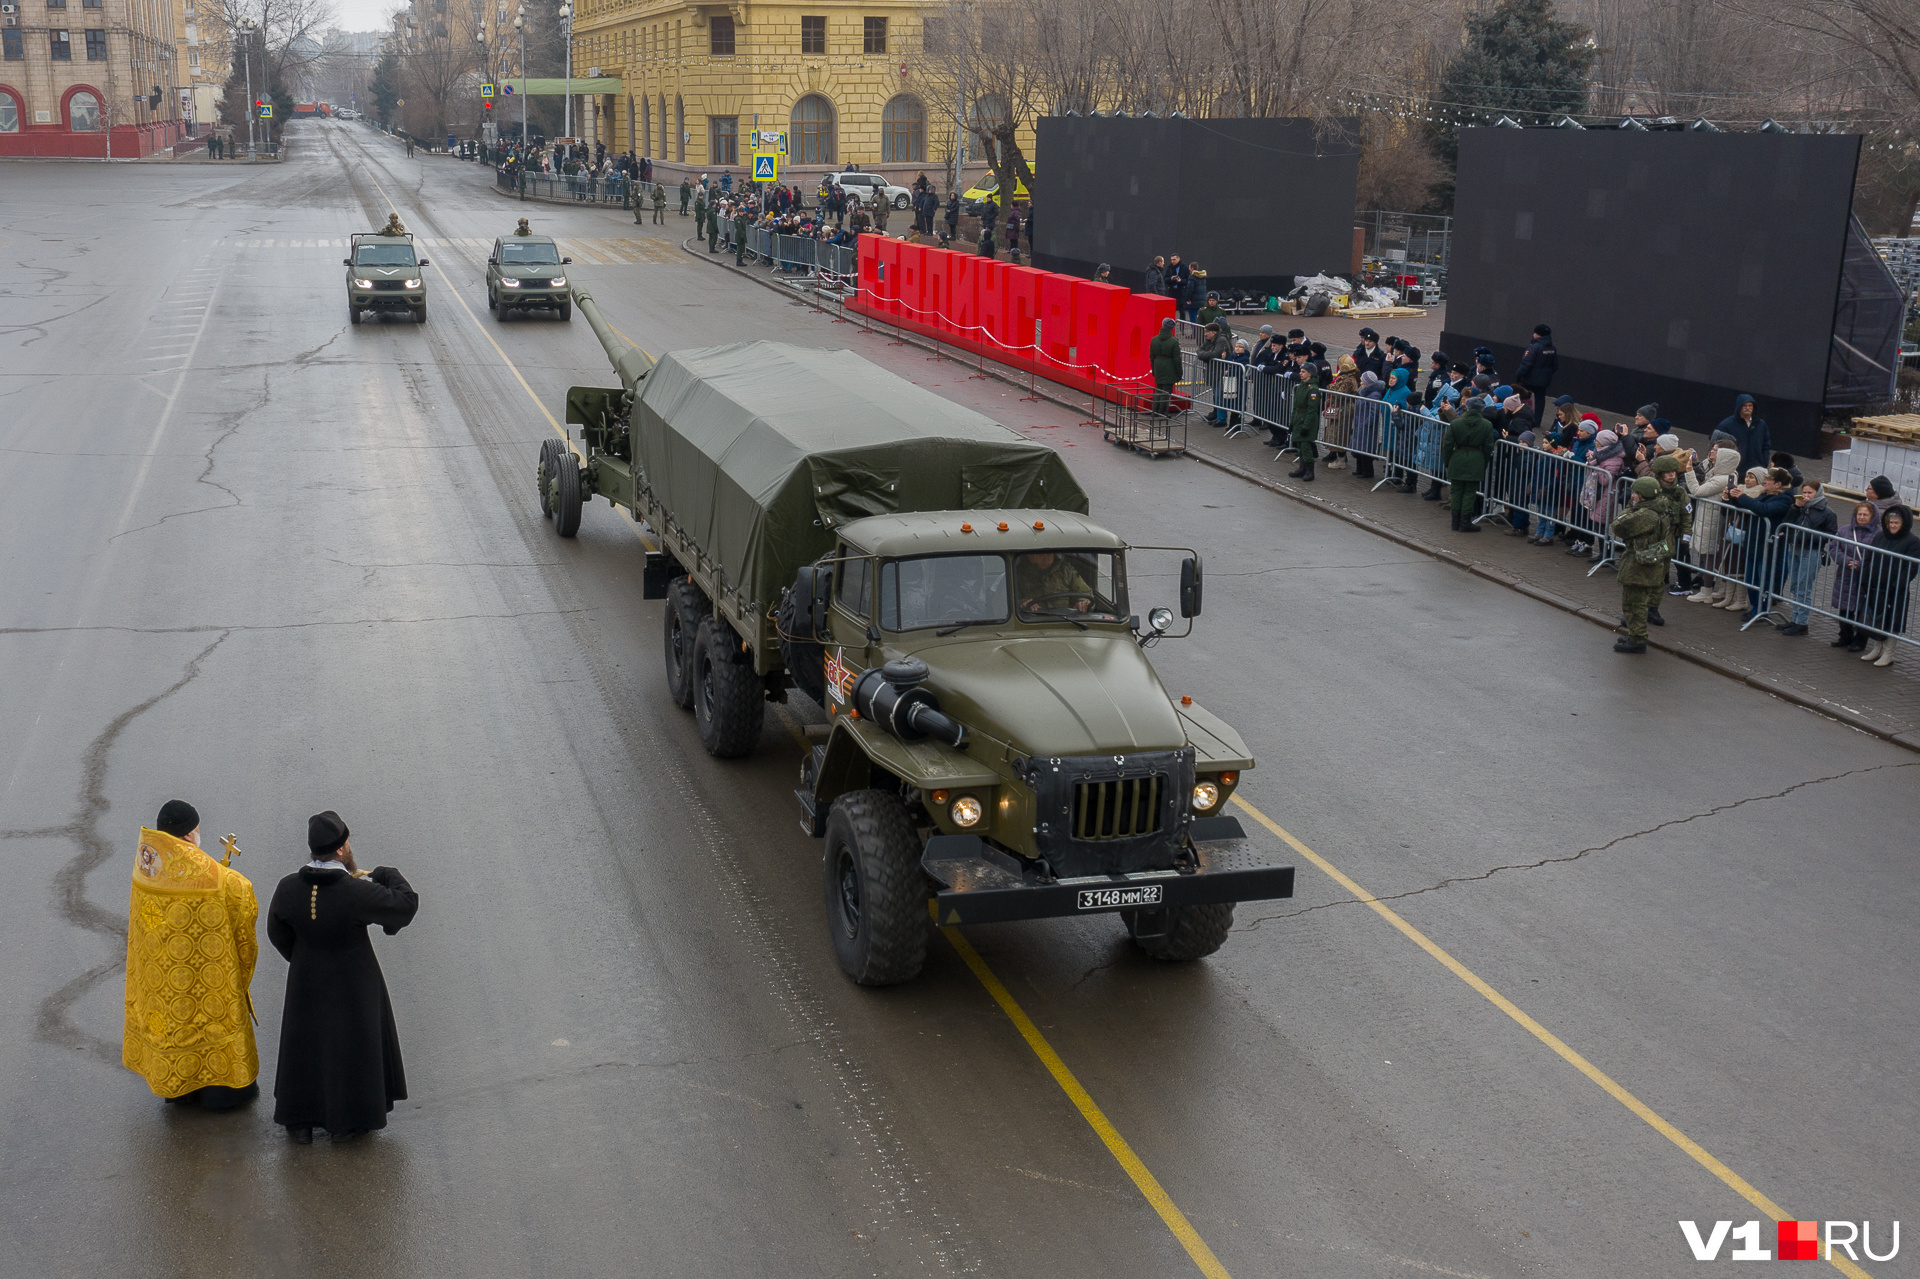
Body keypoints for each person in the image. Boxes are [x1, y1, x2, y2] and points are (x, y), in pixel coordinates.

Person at [268, 811, 418, 1144]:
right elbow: (405, 905)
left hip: (305, 984)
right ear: (340, 850)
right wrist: (386, 874)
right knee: (350, 1048)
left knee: (306, 1047)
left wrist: (305, 959)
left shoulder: (288, 887)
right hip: (354, 988)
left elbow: (276, 931)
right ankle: (349, 1122)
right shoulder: (355, 892)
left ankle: (300, 1120)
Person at [122, 800, 260, 1111]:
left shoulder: (146, 865)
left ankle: (179, 1091)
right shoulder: (221, 880)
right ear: (188, 837)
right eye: (197, 832)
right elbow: (243, 922)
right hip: (208, 981)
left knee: (174, 1023)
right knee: (211, 1020)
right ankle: (220, 1095)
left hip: (164, 982)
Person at [1725, 467, 1796, 623]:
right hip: (1754, 544)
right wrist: (1732, 498)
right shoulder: (1765, 495)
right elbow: (1749, 506)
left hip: (1768, 547)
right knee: (1751, 580)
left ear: (1778, 484)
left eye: (1768, 480)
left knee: (1763, 580)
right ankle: (1755, 608)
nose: (1764, 482)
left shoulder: (1784, 499)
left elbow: (1763, 510)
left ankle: (1761, 610)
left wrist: (1742, 496)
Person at [1612, 476, 1670, 652]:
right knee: (1635, 602)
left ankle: (1637, 639)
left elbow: (1618, 525)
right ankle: (1633, 634)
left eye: (1635, 493)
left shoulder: (1646, 515)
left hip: (1639, 564)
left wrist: (1631, 508)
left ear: (1643, 496)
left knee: (1634, 603)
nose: (1633, 495)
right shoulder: (1659, 509)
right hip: (1648, 562)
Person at [1772, 481, 1837, 635]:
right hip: (1794, 548)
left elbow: (1832, 534)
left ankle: (1801, 622)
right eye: (1805, 492)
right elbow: (1786, 523)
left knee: (1803, 587)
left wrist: (1814, 539)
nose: (1806, 496)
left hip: (1810, 551)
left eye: (1810, 493)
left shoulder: (1827, 512)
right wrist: (1795, 507)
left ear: (1818, 493)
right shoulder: (1799, 507)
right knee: (1794, 585)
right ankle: (1795, 619)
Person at [1860, 505, 1920, 667]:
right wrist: (1865, 577)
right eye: (1890, 522)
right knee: (1876, 618)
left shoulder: (1913, 541)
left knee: (1892, 620)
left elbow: (1911, 567)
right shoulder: (1880, 536)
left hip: (1895, 589)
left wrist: (1898, 584)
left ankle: (1889, 653)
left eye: (1896, 523)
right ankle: (1876, 648)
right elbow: (1869, 557)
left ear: (1904, 523)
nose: (1892, 525)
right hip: (1876, 585)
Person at [1683, 446, 1742, 605]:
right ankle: (1712, 589)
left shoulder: (1721, 479)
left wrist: (1689, 471)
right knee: (1707, 554)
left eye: (1718, 458)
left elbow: (1697, 490)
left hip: (1711, 520)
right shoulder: (1727, 475)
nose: (1714, 460)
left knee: (1708, 555)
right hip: (1708, 518)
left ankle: (1706, 591)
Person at [1830, 502, 1879, 652]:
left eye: (1865, 514)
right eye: (1860, 514)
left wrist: (1861, 565)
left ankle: (1860, 641)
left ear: (1872, 516)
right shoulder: (1845, 530)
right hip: (1845, 575)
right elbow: (1834, 547)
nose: (1862, 517)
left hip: (1865, 579)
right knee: (1845, 608)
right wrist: (1847, 561)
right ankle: (1845, 636)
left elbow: (1877, 556)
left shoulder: (1878, 534)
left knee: (1862, 610)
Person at [1442, 396, 1496, 532]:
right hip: (1476, 459)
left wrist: (1448, 460)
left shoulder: (1456, 423)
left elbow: (1447, 444)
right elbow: (1488, 446)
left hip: (1457, 457)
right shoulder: (1486, 425)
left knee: (1456, 491)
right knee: (1470, 492)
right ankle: (1465, 522)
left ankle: (1455, 522)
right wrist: (1483, 461)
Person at [1711, 395, 1772, 477]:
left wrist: (1764, 462)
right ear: (1739, 407)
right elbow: (1715, 444)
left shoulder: (1761, 424)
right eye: (1745, 405)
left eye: (1750, 405)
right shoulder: (1726, 425)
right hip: (1734, 470)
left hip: (1755, 471)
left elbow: (1766, 445)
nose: (1748, 408)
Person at [1015, 551, 1092, 614]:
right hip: (1030, 622)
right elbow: (1006, 602)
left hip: (1066, 621)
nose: (1045, 558)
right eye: (1039, 554)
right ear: (1029, 555)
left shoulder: (1066, 571)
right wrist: (1022, 604)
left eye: (1049, 553)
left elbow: (1086, 592)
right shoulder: (1017, 573)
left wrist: (1083, 601)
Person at [1514, 324, 1557, 418]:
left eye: (1535, 333)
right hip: (1544, 380)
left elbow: (1526, 363)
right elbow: (1555, 365)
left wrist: (1519, 374)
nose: (1533, 334)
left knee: (1521, 396)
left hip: (1529, 379)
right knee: (1540, 400)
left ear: (1539, 335)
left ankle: (1519, 415)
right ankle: (1537, 421)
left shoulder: (1534, 347)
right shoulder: (1552, 348)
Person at [1286, 372, 1320, 480]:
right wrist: (1292, 423)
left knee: (1305, 446)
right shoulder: (1301, 386)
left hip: (1306, 420)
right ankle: (1302, 468)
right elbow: (1295, 406)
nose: (1300, 373)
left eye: (1303, 371)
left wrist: (1306, 426)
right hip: (1298, 419)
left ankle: (1310, 471)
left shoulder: (1312, 390)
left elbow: (1312, 410)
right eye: (1300, 371)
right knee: (1300, 445)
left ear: (1310, 374)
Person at [1149, 318, 1182, 417]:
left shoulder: (1154, 339)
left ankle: (1155, 409)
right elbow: (1177, 359)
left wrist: (1154, 369)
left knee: (1158, 388)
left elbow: (1151, 356)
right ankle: (1162, 411)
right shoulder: (1174, 341)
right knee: (1166, 390)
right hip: (1169, 366)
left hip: (1158, 365)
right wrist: (1179, 373)